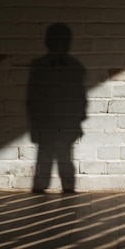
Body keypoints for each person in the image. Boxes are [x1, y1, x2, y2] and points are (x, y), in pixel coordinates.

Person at [26, 23, 87, 193]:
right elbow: (33, 98)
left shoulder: (75, 68)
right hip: (47, 121)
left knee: (62, 158)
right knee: (46, 158)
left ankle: (66, 187)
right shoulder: (41, 67)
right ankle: (49, 188)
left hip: (65, 122)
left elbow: (79, 97)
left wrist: (78, 120)